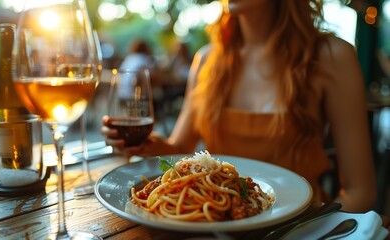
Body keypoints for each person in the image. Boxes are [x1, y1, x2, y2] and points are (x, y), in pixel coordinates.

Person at [102, 0, 376, 212]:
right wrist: (143, 144)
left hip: (302, 226)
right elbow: (178, 149)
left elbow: (360, 192)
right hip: (216, 225)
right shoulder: (208, 60)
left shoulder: (332, 56)